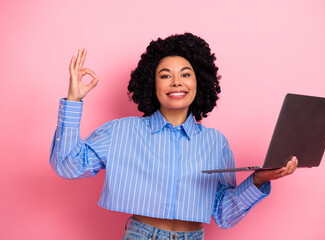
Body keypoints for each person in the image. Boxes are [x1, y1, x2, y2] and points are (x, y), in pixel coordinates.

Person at [50, 33, 297, 240]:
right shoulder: (120, 132)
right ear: (152, 84)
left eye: (186, 74)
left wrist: (257, 180)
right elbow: (67, 166)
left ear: (199, 82)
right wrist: (73, 100)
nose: (176, 82)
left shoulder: (215, 143)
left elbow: (224, 213)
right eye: (165, 75)